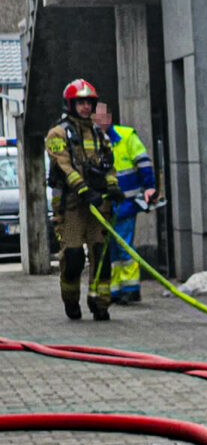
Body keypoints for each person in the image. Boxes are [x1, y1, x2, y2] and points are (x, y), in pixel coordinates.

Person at [45, 79, 120, 321]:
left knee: (101, 254)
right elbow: (64, 165)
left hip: (98, 205)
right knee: (74, 256)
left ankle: (100, 303)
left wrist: (113, 186)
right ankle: (71, 300)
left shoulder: (99, 133)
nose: (86, 106)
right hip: (70, 207)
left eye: (89, 102)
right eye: (80, 102)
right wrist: (84, 189)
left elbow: (109, 164)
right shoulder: (57, 134)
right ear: (70, 104)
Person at [92, 101, 158, 303]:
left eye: (101, 117)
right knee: (111, 247)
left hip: (126, 203)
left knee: (123, 246)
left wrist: (149, 186)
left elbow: (143, 162)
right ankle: (117, 288)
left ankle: (131, 288)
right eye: (95, 118)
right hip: (106, 205)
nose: (98, 121)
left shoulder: (126, 136)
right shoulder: (93, 141)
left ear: (109, 117)